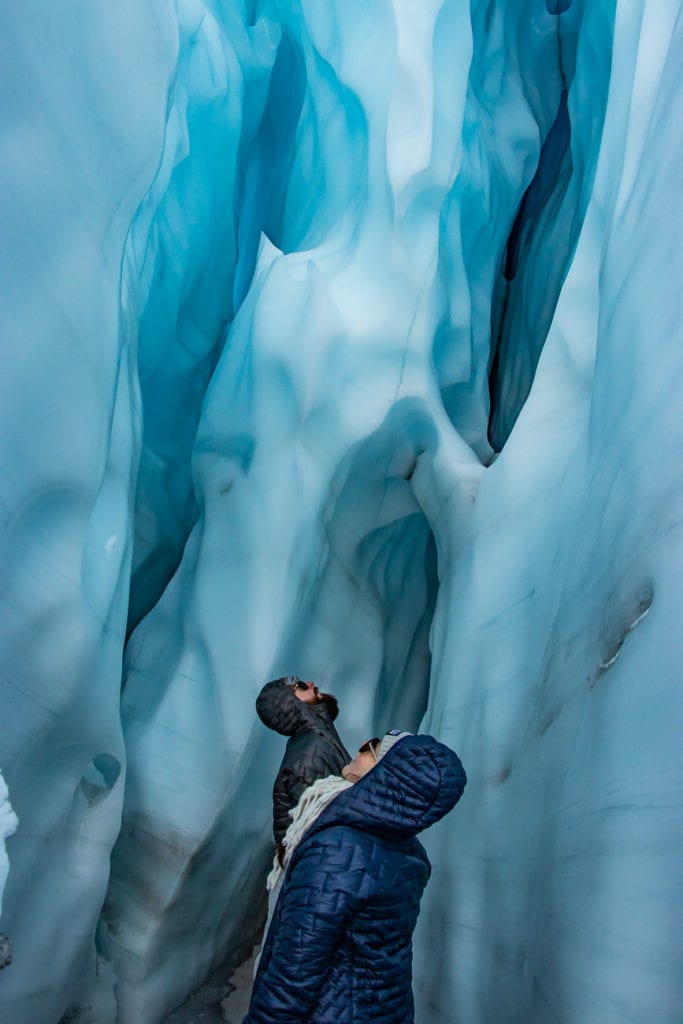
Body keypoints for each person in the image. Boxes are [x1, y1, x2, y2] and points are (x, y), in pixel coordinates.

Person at [244, 730, 467, 1024]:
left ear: (386, 772)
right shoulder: (409, 852)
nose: (359, 748)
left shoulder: (339, 849)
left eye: (370, 748)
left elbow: (295, 969)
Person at [255, 674, 351, 845]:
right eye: (300, 686)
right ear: (287, 703)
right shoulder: (310, 753)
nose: (310, 683)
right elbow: (318, 831)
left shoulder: (316, 741)